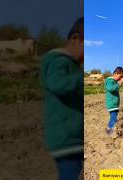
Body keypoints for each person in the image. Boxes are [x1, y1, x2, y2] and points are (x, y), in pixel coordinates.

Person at [40, 17, 83, 180]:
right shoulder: (58, 62)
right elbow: (58, 85)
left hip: (75, 138)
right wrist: (81, 78)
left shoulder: (72, 65)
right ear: (75, 39)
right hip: (66, 139)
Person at [105, 67, 123, 135]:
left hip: (114, 104)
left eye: (121, 77)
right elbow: (110, 89)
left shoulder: (114, 82)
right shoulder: (110, 81)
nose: (120, 79)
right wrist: (118, 85)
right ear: (115, 73)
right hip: (112, 104)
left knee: (113, 118)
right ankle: (109, 131)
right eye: (120, 77)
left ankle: (109, 129)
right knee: (114, 118)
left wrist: (117, 85)